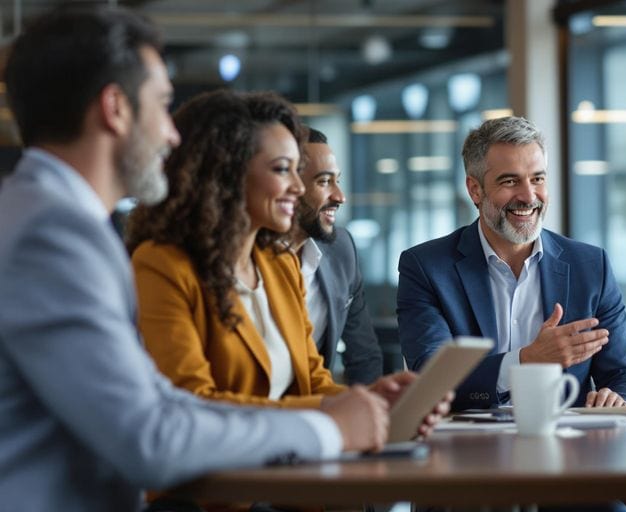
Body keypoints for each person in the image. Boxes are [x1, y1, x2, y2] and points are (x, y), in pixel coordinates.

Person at [0, 7, 392, 510]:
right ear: (115, 109)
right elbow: (150, 439)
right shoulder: (53, 236)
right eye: (162, 105)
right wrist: (325, 429)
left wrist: (353, 408)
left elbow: (160, 405)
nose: (172, 134)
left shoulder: (47, 219)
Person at [126, 90, 421, 414]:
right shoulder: (162, 266)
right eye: (282, 169)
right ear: (227, 173)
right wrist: (332, 412)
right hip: (220, 463)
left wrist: (375, 403)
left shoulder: (280, 266)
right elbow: (192, 401)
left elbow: (314, 381)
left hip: (295, 458)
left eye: (298, 170)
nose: (297, 186)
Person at [398, 116, 626, 411]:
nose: (529, 196)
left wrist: (618, 397)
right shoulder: (426, 267)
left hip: (569, 448)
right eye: (510, 181)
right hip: (468, 448)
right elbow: (432, 378)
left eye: (537, 179)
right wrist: (528, 359)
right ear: (475, 190)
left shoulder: (591, 266)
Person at [290, 127, 383, 385]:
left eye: (337, 181)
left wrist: (374, 406)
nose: (339, 197)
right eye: (323, 182)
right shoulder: (251, 260)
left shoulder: (342, 248)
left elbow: (364, 355)